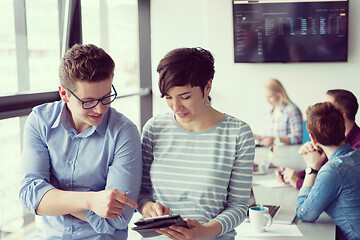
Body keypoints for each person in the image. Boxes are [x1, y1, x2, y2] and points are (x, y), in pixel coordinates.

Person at [18, 44, 142, 239]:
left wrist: (53, 194)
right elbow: (29, 197)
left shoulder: (124, 132)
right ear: (64, 93)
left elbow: (119, 217)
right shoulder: (40, 121)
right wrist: (92, 201)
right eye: (89, 101)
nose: (100, 109)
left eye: (107, 97)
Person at [138, 47, 255, 240]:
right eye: (168, 97)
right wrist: (147, 207)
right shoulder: (154, 128)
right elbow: (142, 192)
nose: (176, 107)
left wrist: (204, 231)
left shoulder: (238, 133)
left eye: (185, 97)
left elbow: (239, 206)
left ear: (207, 87)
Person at [296, 102, 360, 240]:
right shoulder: (356, 155)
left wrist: (312, 167)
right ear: (343, 128)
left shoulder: (333, 170)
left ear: (312, 138)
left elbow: (304, 213)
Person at [275, 89, 360, 189]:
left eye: (328, 107)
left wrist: (298, 181)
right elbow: (320, 169)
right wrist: (290, 175)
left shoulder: (356, 148)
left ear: (341, 115)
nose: (322, 109)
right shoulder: (331, 138)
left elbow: (328, 189)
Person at [253, 78, 303, 147]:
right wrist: (258, 137)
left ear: (280, 93)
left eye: (270, 97)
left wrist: (275, 139)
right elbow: (269, 138)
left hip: (287, 153)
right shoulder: (269, 111)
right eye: (265, 97)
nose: (267, 100)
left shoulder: (292, 110)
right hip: (271, 153)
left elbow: (297, 138)